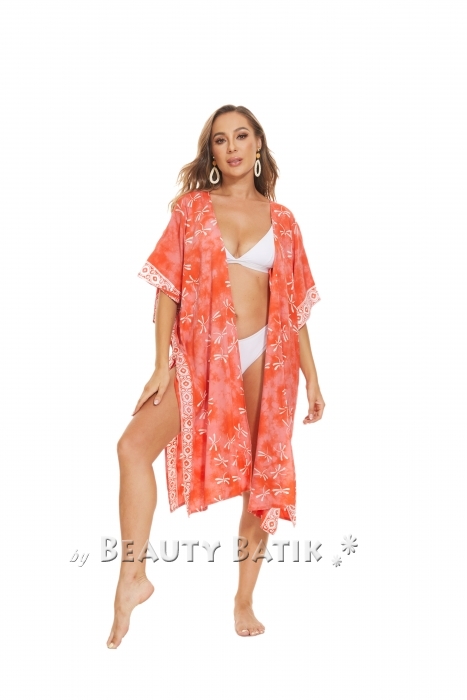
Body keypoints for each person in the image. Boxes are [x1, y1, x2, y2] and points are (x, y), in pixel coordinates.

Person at [107, 104, 325, 649]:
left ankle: (244, 599)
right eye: (221, 140)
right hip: (201, 355)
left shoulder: (284, 220)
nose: (232, 147)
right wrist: (161, 364)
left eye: (241, 136)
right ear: (212, 152)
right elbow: (167, 287)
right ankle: (132, 576)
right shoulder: (192, 209)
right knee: (132, 448)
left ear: (258, 145)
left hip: (268, 355)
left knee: (261, 478)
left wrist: (314, 379)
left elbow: (294, 306)